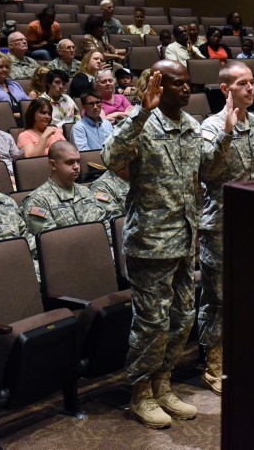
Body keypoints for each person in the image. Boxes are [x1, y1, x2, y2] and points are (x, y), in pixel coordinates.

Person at [102, 60, 233, 429]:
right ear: (157, 85)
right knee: (151, 322)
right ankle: (140, 392)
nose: (186, 89)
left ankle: (163, 383)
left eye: (188, 83)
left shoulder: (191, 127)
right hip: (150, 242)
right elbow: (111, 158)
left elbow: (207, 172)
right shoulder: (141, 123)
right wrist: (141, 112)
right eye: (177, 83)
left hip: (185, 238)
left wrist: (224, 136)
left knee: (182, 318)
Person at [198, 61, 254, 396]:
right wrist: (226, 133)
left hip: (253, 226)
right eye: (242, 84)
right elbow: (208, 173)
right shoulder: (211, 127)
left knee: (252, 294)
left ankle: (244, 353)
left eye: (252, 82)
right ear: (225, 89)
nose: (250, 88)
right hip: (221, 227)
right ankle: (215, 363)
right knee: (219, 299)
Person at [21, 141, 108, 236]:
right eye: (70, 162)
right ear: (53, 165)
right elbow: (49, 241)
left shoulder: (86, 191)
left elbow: (104, 227)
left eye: (78, 161)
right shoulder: (38, 200)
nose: (76, 167)